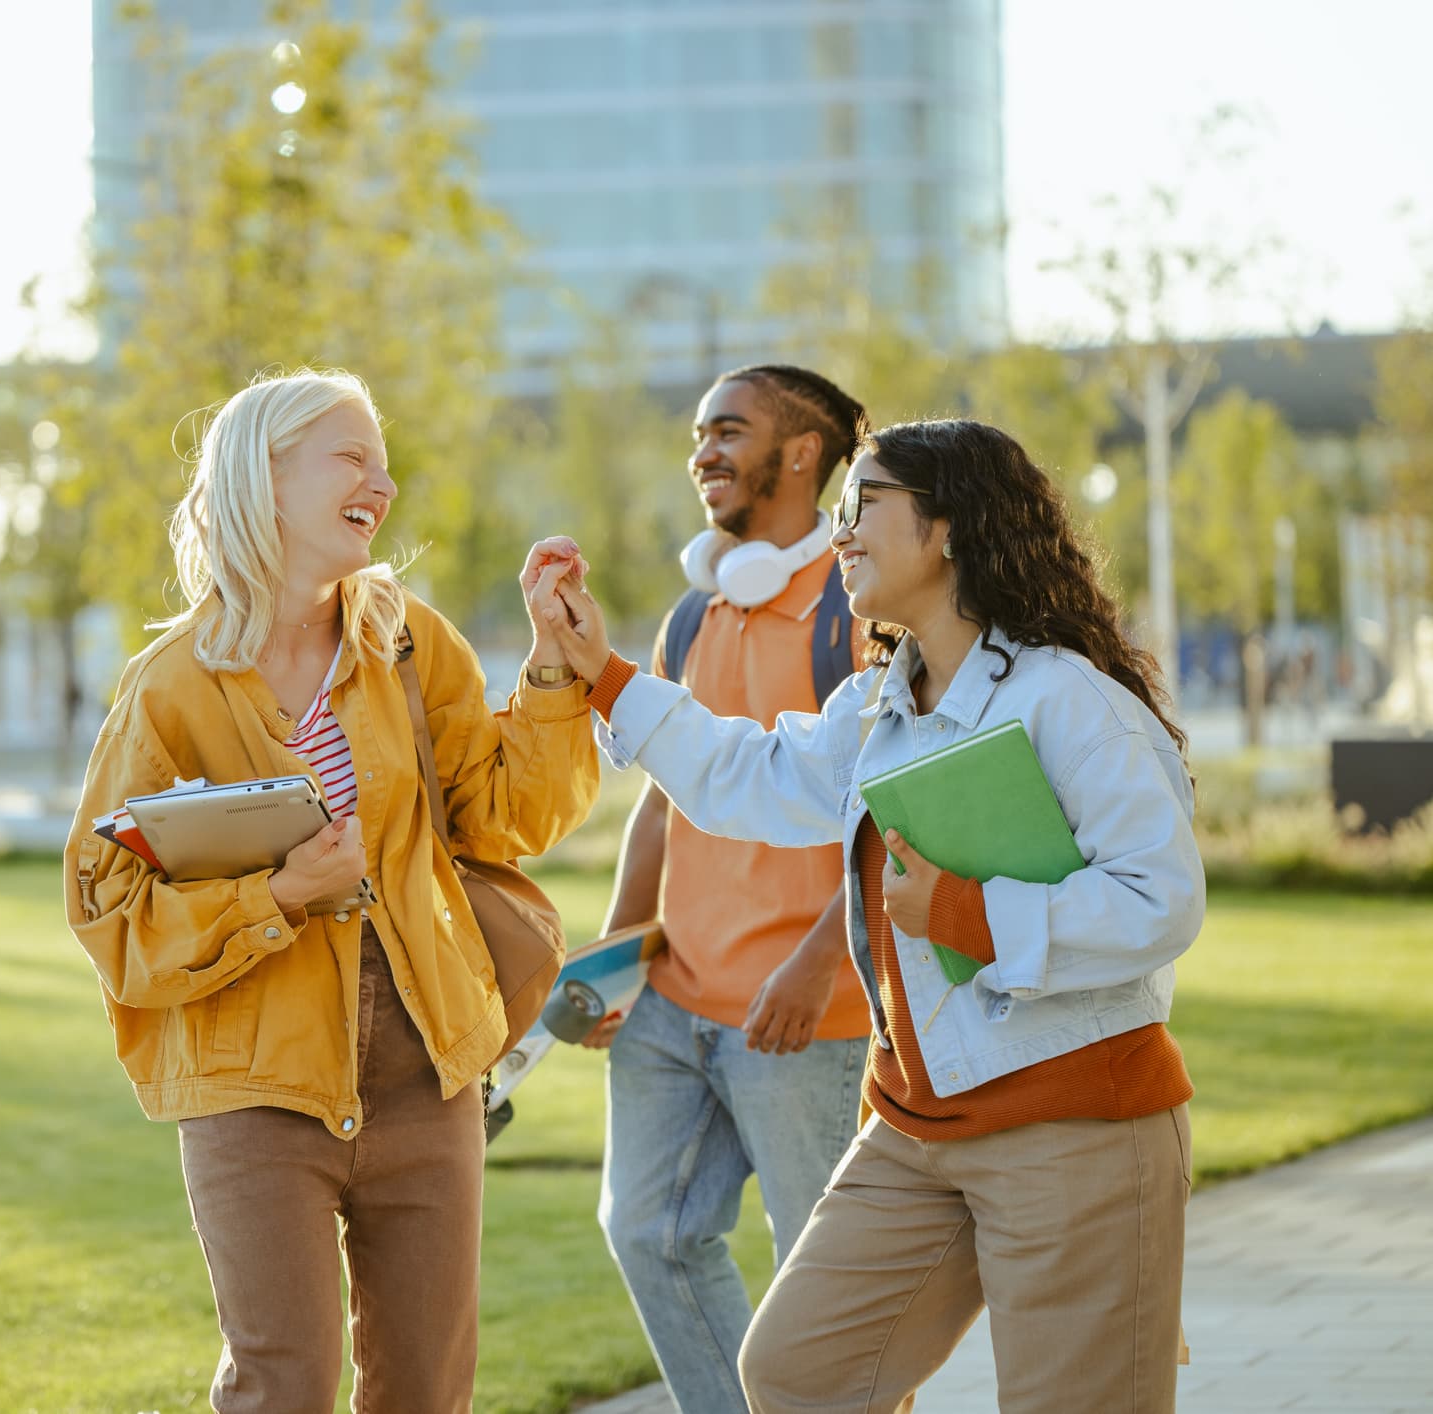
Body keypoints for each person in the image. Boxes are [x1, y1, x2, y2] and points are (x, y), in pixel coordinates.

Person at [532, 418, 1203, 1413]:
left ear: (945, 528)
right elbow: (738, 778)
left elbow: (1159, 900)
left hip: (1074, 1120)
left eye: (866, 505)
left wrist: (963, 911)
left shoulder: (1070, 700)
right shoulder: (879, 705)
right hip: (913, 1127)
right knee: (799, 1372)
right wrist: (604, 675)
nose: (839, 534)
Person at [64, 368, 599, 1412]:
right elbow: (110, 913)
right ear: (260, 478)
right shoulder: (169, 686)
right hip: (253, 1084)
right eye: (350, 457)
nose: (382, 484)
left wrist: (549, 671)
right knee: (283, 1387)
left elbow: (506, 814)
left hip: (424, 1071)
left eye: (384, 463)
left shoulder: (405, 640)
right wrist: (277, 893)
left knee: (425, 1389)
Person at [588, 366, 873, 1413]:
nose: (701, 451)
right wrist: (619, 954)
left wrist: (817, 958)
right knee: (647, 1232)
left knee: (827, 1285)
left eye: (727, 431)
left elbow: (887, 813)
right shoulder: (689, 615)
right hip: (673, 1001)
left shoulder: (857, 609)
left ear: (799, 454)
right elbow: (661, 799)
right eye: (696, 434)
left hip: (804, 1012)